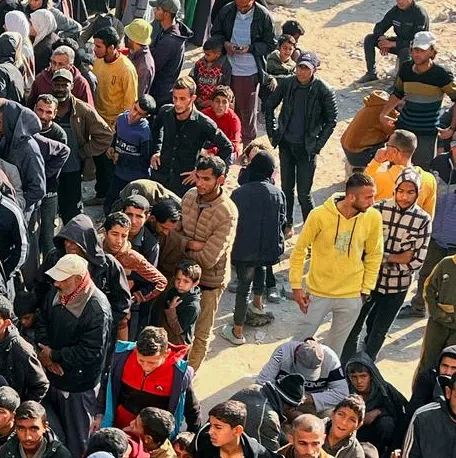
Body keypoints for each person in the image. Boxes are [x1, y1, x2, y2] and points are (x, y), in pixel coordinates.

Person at [290, 172, 384, 357]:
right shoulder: (319, 215)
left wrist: (366, 290)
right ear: (351, 197)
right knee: (298, 344)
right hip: (318, 292)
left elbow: (375, 254)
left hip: (351, 296)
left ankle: (324, 383)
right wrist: (296, 286)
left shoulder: (373, 217)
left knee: (334, 351)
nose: (372, 202)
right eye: (368, 197)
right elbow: (300, 249)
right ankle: (284, 379)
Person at [158, 155, 237, 371]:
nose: (200, 183)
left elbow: (209, 258)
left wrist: (182, 246)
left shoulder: (227, 213)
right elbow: (175, 234)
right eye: (198, 177)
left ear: (220, 180)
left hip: (209, 283)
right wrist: (191, 244)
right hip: (181, 276)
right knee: (172, 324)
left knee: (199, 334)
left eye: (206, 179)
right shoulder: (190, 196)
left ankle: (187, 377)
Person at [347, 169, 431, 361]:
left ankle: (365, 366)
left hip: (397, 287)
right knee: (356, 324)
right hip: (369, 282)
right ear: (395, 189)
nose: (404, 196)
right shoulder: (379, 209)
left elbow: (416, 262)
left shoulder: (423, 220)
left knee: (378, 331)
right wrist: (396, 257)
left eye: (411, 192)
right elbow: (362, 248)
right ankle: (347, 365)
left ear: (418, 193)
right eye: (401, 190)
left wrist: (380, 258)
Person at [35, 253, 112, 458]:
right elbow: (41, 320)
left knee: (77, 442)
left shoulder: (97, 308)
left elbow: (91, 351)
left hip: (78, 387)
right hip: (52, 376)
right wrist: (45, 355)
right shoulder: (56, 292)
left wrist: (56, 356)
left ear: (78, 280)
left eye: (62, 278)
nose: (56, 283)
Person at [264, 52, 339, 234]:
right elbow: (269, 106)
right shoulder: (288, 84)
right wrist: (273, 133)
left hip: (307, 149)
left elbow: (332, 120)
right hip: (287, 144)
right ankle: (287, 223)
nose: (301, 72)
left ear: (314, 70)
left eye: (306, 68)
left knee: (304, 194)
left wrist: (317, 145)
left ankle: (311, 231)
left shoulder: (323, 90)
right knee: (286, 189)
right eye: (299, 67)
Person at [223, 152, 285, 345]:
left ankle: (238, 331)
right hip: (268, 248)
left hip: (245, 250)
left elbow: (233, 222)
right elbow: (281, 221)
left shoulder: (240, 193)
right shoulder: (278, 193)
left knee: (243, 288)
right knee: (262, 269)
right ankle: (258, 305)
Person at [97, 326, 201, 436]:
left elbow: (192, 408)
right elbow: (105, 386)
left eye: (152, 363)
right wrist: (99, 414)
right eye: (141, 360)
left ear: (166, 354)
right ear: (135, 350)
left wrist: (192, 436)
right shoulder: (121, 359)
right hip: (118, 429)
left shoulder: (179, 375)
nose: (145, 367)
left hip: (152, 438)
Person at [380, 31, 456, 167]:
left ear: (432, 52)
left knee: (420, 173)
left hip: (426, 133)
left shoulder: (442, 75)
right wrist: (384, 114)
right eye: (415, 49)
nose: (417, 53)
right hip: (403, 129)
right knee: (395, 170)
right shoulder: (406, 69)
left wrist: (451, 128)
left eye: (422, 50)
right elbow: (397, 93)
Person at [212, 0, 275, 145]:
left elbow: (271, 43)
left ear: (253, 0)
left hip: (249, 70)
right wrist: (225, 44)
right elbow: (216, 33)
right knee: (226, 108)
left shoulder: (262, 15)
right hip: (228, 68)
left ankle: (247, 148)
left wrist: (250, 48)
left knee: (247, 113)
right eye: (238, 5)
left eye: (244, 6)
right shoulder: (227, 11)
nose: (240, 9)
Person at [361, 0, 430, 82]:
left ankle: (399, 84)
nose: (400, 1)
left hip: (417, 48)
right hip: (400, 41)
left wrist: (391, 44)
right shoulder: (396, 10)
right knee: (369, 39)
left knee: (405, 52)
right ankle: (371, 74)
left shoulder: (419, 14)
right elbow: (380, 27)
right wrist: (382, 40)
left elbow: (417, 42)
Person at [91, 27, 138, 137]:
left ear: (111, 48)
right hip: (95, 118)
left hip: (113, 126)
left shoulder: (126, 69)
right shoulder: (97, 60)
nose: (94, 49)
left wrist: (119, 127)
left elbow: (130, 103)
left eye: (98, 46)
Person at [148, 0, 190, 107]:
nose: (154, 11)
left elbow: (153, 66)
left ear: (166, 14)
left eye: (158, 9)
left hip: (160, 93)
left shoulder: (170, 41)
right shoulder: (166, 29)